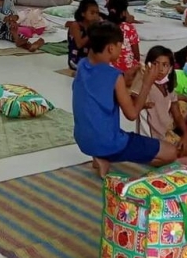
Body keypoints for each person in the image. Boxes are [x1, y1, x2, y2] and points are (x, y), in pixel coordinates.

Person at [72, 22, 177, 178]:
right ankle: (106, 156)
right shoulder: (114, 76)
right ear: (111, 48)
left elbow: (101, 89)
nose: (121, 50)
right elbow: (132, 114)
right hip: (108, 142)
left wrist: (126, 76)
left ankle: (100, 155)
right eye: (121, 47)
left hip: (83, 140)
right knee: (171, 153)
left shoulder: (82, 65)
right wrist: (147, 83)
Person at [130, 45, 187, 156]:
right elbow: (133, 105)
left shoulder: (166, 85)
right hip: (151, 137)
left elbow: (177, 114)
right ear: (148, 65)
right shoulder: (142, 81)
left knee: (183, 105)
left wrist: (186, 135)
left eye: (165, 65)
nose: (160, 69)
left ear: (170, 69)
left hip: (166, 131)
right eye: (155, 64)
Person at [104, 0, 140, 74]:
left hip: (107, 70)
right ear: (123, 12)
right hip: (128, 69)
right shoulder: (129, 28)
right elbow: (136, 56)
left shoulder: (101, 27)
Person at [66, 0, 100, 71]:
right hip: (76, 59)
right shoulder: (76, 25)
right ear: (83, 13)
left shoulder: (94, 25)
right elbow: (79, 45)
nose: (95, 16)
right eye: (92, 13)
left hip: (89, 57)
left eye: (97, 13)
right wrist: (91, 30)